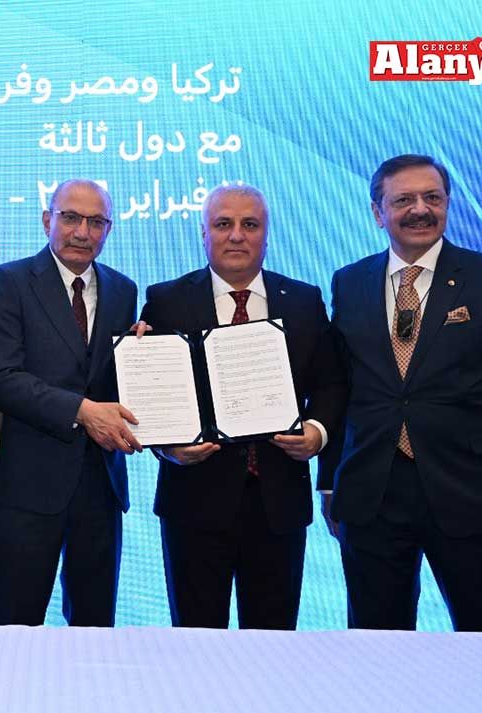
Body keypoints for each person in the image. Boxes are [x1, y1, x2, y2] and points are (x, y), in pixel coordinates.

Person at [321, 154, 482, 631]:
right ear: (377, 212)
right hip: (372, 498)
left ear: (448, 204)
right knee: (375, 646)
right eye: (403, 200)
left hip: (472, 497)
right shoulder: (349, 282)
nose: (420, 209)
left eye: (433, 197)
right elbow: (341, 390)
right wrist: (330, 482)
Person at [138, 184, 346, 629]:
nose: (236, 235)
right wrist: (167, 448)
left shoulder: (304, 301)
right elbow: (151, 390)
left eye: (249, 224)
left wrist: (317, 433)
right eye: (223, 224)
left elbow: (330, 383)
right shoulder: (166, 301)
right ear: (204, 233)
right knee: (194, 642)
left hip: (279, 504)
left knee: (274, 643)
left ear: (266, 234)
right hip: (193, 502)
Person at [0, 179, 139, 626]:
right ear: (47, 220)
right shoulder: (10, 282)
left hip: (101, 489)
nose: (82, 232)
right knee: (16, 628)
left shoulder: (123, 291)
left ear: (108, 230)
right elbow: (2, 379)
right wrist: (82, 412)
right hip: (26, 489)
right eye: (70, 218)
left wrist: (143, 355)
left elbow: (113, 381)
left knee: (96, 629)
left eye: (96, 222)